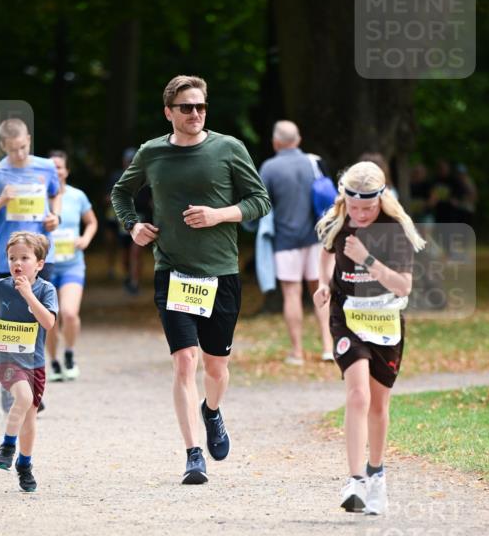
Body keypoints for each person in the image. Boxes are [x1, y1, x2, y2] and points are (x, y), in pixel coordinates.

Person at [111, 74, 270, 485]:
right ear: (169, 112)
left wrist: (220, 214)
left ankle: (212, 412)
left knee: (216, 369)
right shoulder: (152, 153)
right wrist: (133, 225)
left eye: (200, 106)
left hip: (221, 273)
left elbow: (260, 201)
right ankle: (192, 454)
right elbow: (121, 193)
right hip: (173, 271)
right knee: (185, 361)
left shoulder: (228, 148)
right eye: (186, 107)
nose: (195, 113)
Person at [314, 161, 426, 515]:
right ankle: (356, 479)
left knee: (378, 404)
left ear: (381, 199)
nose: (360, 215)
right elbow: (325, 251)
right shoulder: (339, 221)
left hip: (385, 320)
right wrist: (322, 284)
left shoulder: (396, 230)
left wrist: (368, 258)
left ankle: (377, 475)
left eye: (368, 208)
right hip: (347, 318)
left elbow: (403, 285)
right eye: (354, 207)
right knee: (358, 395)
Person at [0, 118, 61, 411]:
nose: (20, 154)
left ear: (29, 140)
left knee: (39, 322)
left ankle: (32, 384)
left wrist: (54, 216)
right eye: (13, 149)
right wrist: (0, 200)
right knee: (11, 324)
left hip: (38, 258)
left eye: (23, 147)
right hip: (6, 260)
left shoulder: (46, 167)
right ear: (3, 146)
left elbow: (55, 193)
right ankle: (11, 386)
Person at [0, 232, 58, 493]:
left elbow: (49, 323)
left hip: (34, 362)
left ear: (39, 264)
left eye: (25, 258)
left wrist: (28, 295)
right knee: (23, 398)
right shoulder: (1, 286)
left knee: (29, 416)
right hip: (5, 358)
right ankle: (7, 446)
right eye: (12, 258)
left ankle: (25, 465)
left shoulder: (45, 290)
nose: (17, 263)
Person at [259, 121, 334, 364]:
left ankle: (297, 352)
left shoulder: (269, 168)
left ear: (276, 142)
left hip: (285, 241)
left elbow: (260, 205)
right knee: (321, 291)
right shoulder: (313, 162)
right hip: (316, 238)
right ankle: (328, 347)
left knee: (292, 294)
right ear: (298, 140)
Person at [45, 150, 98, 381]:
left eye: (59, 166)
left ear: (66, 170)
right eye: (51, 166)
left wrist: (85, 239)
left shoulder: (77, 196)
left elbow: (92, 222)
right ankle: (54, 361)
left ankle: (68, 353)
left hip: (71, 265)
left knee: (69, 313)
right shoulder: (37, 196)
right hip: (45, 266)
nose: (56, 170)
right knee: (49, 319)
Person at [105, 147, 152, 294]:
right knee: (125, 253)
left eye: (134, 160)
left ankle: (135, 282)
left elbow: (152, 199)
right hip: (123, 220)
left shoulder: (146, 177)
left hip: (141, 217)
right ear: (124, 161)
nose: (131, 162)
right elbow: (107, 197)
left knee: (136, 251)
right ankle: (128, 275)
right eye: (129, 160)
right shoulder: (116, 176)